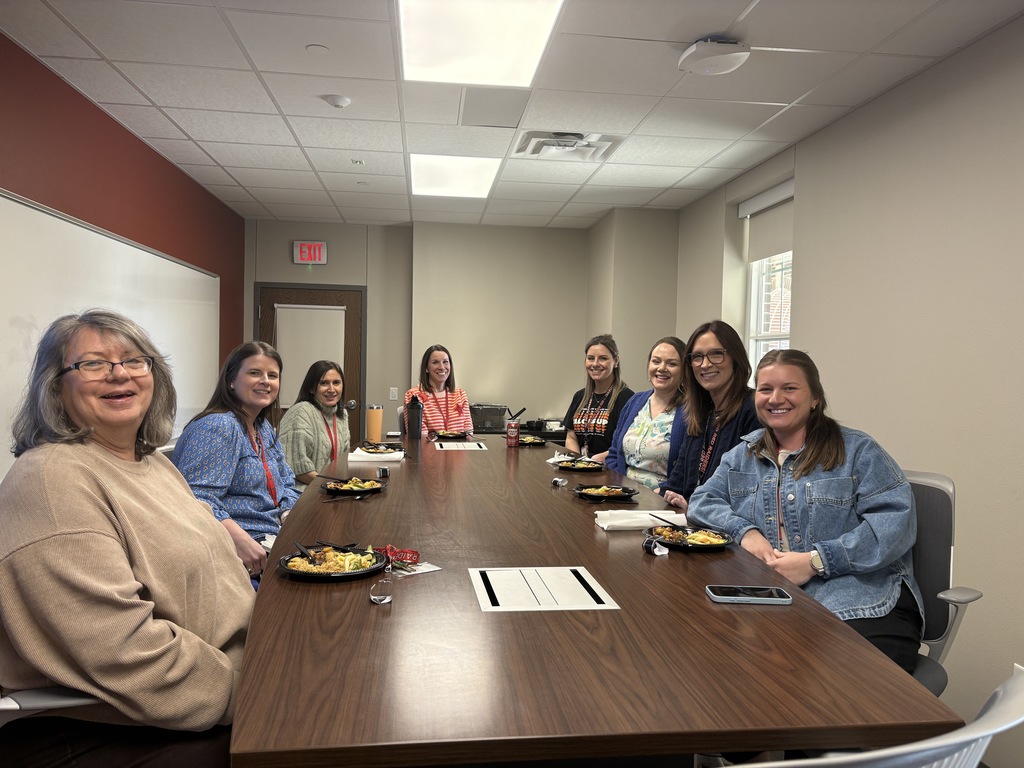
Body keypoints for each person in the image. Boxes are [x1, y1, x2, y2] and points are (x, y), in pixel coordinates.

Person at [0, 309, 253, 766]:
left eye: (134, 360)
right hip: (119, 731)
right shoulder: (51, 480)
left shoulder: (152, 463)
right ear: (55, 387)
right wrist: (253, 691)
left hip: (209, 692)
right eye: (93, 364)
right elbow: (123, 652)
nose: (119, 374)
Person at [688, 349, 924, 672]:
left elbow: (893, 525)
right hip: (779, 600)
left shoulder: (858, 451)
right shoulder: (744, 454)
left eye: (789, 388)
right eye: (765, 389)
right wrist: (745, 532)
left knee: (817, 676)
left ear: (814, 397)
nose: (776, 398)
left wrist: (817, 561)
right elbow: (702, 501)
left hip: (862, 603)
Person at [173, 341, 300, 578]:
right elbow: (194, 499)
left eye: (272, 375)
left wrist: (287, 512)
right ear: (231, 380)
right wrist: (237, 539)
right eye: (255, 373)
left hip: (274, 539)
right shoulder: (218, 426)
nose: (265, 381)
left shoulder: (263, 427)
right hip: (238, 555)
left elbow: (287, 482)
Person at [661, 320, 759, 510]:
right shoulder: (702, 411)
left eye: (716, 354)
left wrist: (694, 508)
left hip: (720, 522)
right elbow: (678, 477)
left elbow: (747, 496)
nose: (705, 364)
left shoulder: (753, 410)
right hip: (687, 517)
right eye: (697, 357)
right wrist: (667, 495)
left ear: (735, 358)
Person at [605, 337, 688, 490]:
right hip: (622, 493)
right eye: (656, 361)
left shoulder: (690, 411)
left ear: (684, 371)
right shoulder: (634, 402)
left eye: (671, 364)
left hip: (662, 498)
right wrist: (618, 488)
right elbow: (614, 454)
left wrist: (661, 494)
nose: (661, 368)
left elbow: (686, 471)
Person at [279, 360, 350, 490]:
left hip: (330, 488)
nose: (331, 389)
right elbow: (298, 470)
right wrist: (334, 486)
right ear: (311, 388)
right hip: (303, 491)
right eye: (324, 383)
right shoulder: (301, 412)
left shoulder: (342, 415)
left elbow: (343, 460)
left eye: (336, 383)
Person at [562, 334, 634, 462]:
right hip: (581, 466)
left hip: (609, 468)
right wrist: (578, 461)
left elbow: (626, 443)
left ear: (616, 361)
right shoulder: (580, 396)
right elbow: (571, 436)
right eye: (590, 358)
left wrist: (594, 461)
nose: (595, 364)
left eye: (603, 358)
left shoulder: (627, 398)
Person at [404, 344, 474, 436]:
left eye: (445, 362)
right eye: (435, 362)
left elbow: (469, 433)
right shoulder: (414, 396)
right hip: (429, 445)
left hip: (460, 445)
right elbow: (419, 437)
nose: (442, 367)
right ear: (426, 368)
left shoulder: (460, 394)